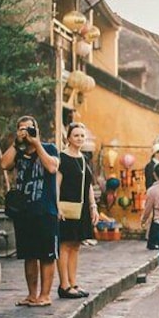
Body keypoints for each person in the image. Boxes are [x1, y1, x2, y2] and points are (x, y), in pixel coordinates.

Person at [1, 116, 60, 307]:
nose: (25, 132)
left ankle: (45, 295)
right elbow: (4, 164)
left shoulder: (49, 148)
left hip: (45, 210)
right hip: (24, 212)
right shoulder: (18, 152)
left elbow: (51, 167)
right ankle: (31, 295)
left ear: (37, 129)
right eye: (21, 129)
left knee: (47, 255)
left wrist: (36, 144)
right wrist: (16, 142)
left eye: (29, 128)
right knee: (29, 255)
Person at [56, 123, 99, 299]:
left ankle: (73, 283)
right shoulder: (62, 158)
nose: (80, 138)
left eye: (82, 136)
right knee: (65, 245)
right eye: (76, 135)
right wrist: (57, 205)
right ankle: (64, 284)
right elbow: (56, 184)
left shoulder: (84, 159)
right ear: (68, 138)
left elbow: (88, 185)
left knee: (76, 245)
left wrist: (93, 206)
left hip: (81, 208)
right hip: (66, 207)